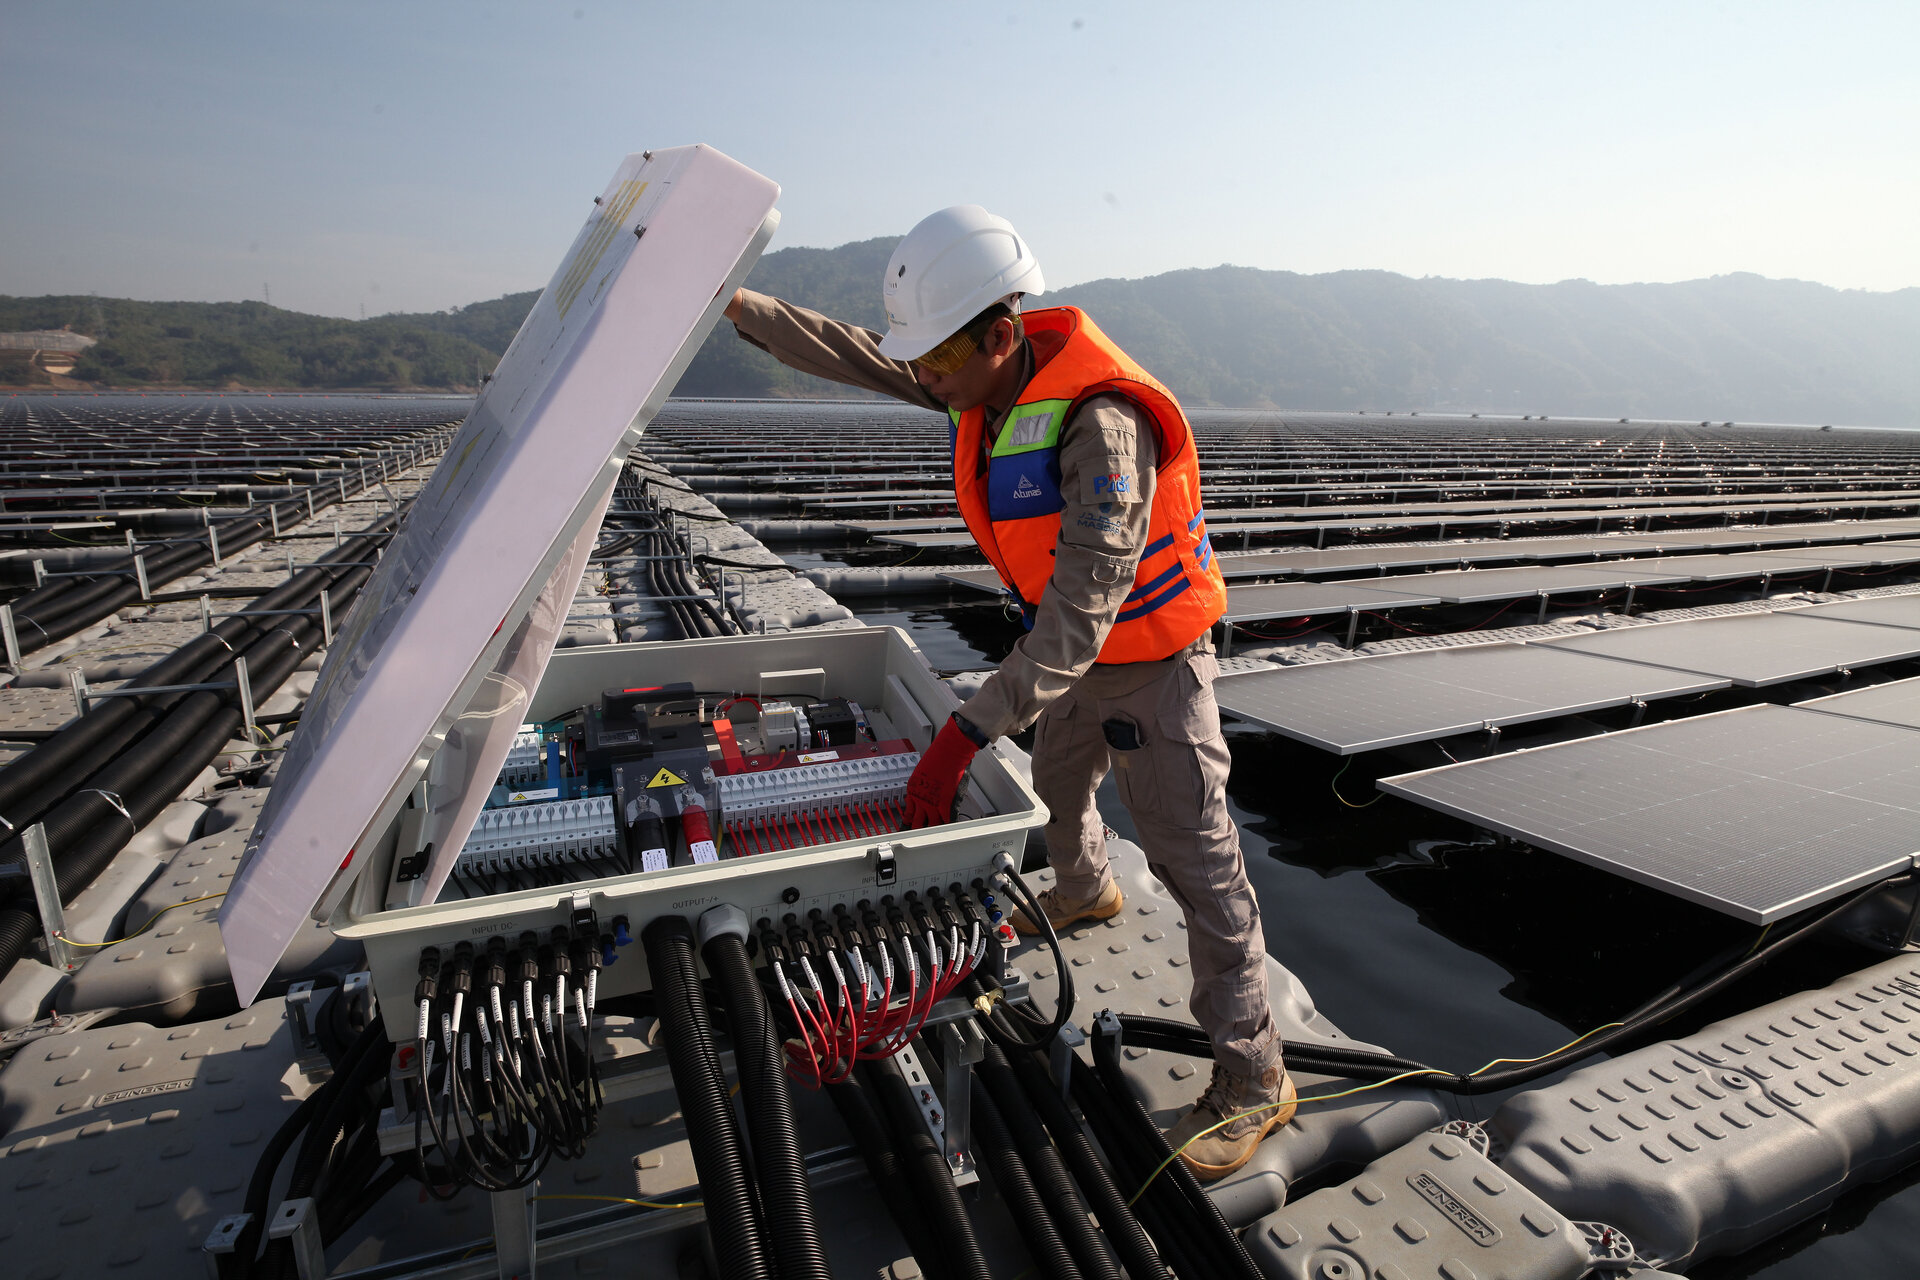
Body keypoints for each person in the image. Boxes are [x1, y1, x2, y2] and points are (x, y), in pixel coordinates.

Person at [722, 205, 1293, 1178]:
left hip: (1150, 663)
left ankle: (1254, 1078)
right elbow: (863, 352)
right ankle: (1085, 886)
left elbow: (1081, 613)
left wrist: (968, 729)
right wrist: (735, 304)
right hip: (1066, 657)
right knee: (1060, 787)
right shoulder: (974, 372)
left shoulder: (1104, 428)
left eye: (936, 365)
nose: (924, 382)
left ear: (999, 334)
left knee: (1201, 866)